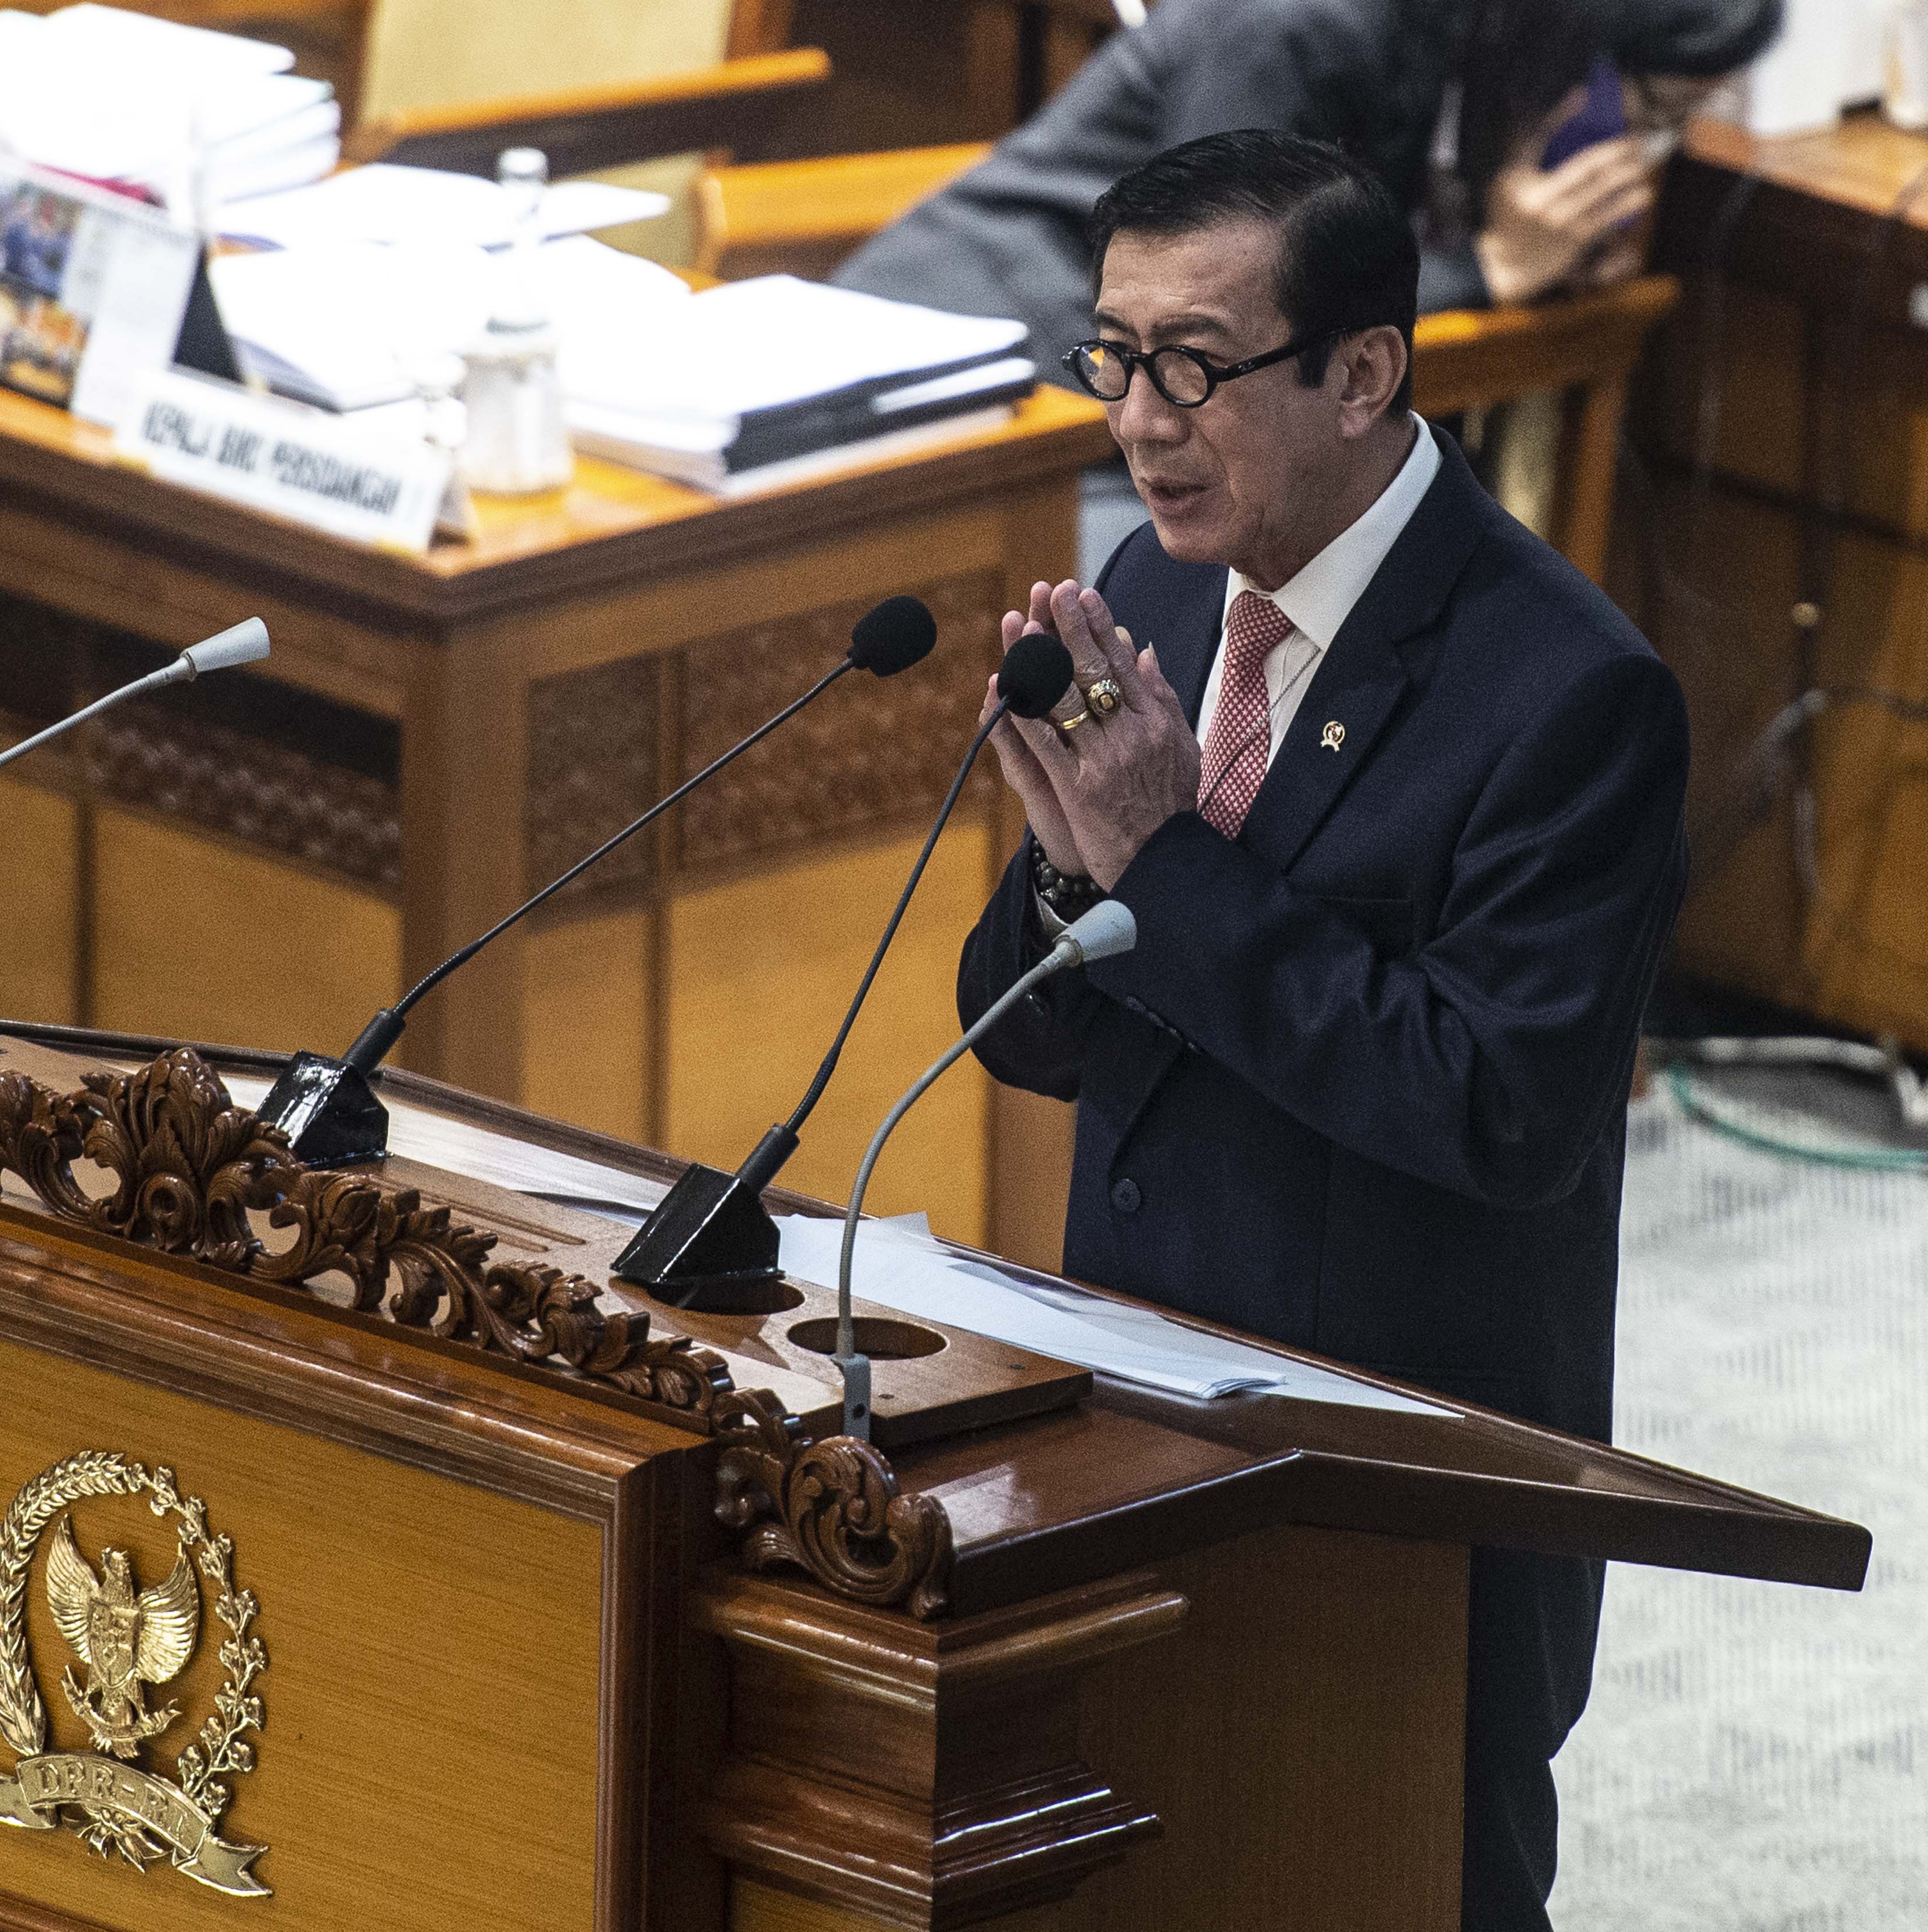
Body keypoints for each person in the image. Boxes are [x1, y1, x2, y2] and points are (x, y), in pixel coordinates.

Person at [956, 131, 1687, 1931]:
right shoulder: (1144, 590)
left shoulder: (1571, 694)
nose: (1139, 419)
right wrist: (1069, 885)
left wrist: (1157, 863)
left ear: (1365, 371)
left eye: (1196, 364)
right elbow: (1023, 1031)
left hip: (1399, 1499)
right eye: (1113, 357)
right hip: (1128, 1426)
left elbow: (1496, 1103)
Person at [837, 0, 1781, 572]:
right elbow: (1213, 303)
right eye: (1651, 110)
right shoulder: (1296, 24)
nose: (1635, 152)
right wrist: (1484, 271)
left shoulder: (1448, 42)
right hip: (978, 393)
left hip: (1137, 411)